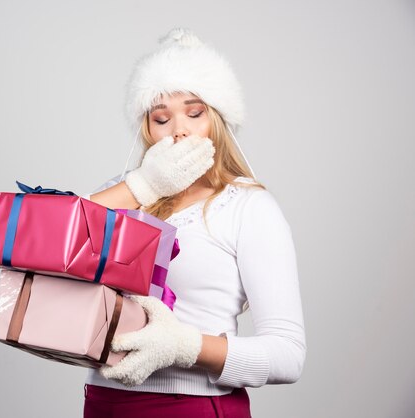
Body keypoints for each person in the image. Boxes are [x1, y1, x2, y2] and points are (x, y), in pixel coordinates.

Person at [81, 28, 306, 418]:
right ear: (148, 131)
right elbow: (36, 242)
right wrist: (142, 186)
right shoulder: (120, 194)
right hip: (105, 404)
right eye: (161, 118)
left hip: (194, 407)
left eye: (195, 112)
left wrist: (185, 346)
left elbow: (288, 355)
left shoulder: (247, 207)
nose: (179, 129)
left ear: (217, 119)